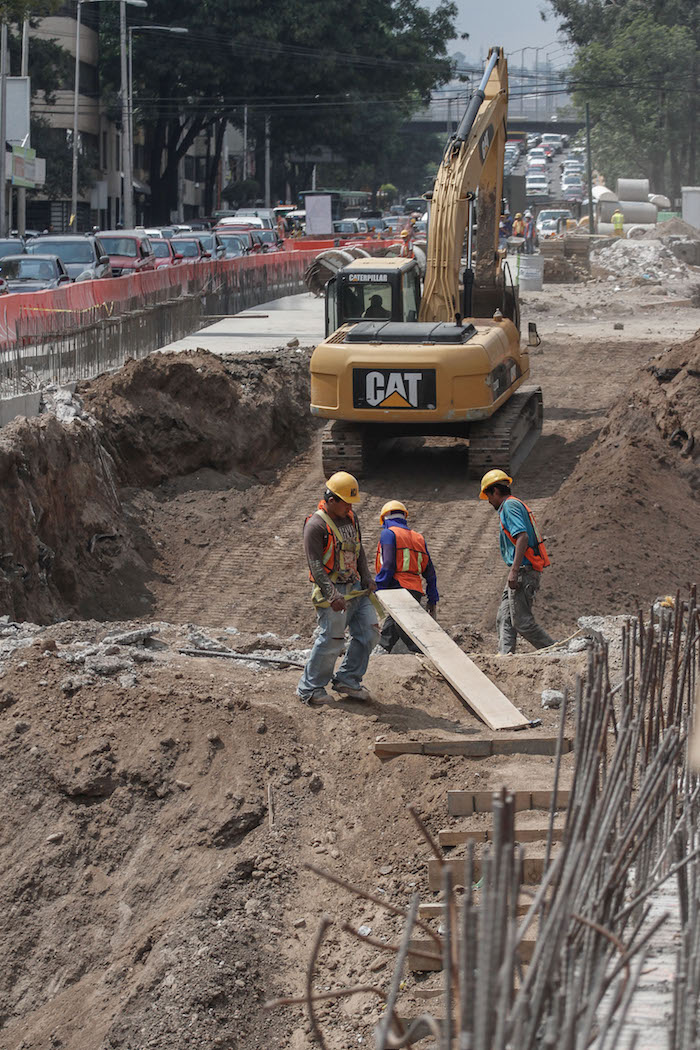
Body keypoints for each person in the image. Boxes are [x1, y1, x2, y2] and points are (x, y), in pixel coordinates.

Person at [297, 471, 379, 704]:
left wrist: (366, 576)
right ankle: (310, 688)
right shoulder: (316, 525)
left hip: (355, 588)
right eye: (346, 503)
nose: (350, 507)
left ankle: (348, 680)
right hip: (332, 590)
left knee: (370, 632)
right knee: (332, 639)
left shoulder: (352, 518)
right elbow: (314, 564)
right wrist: (332, 594)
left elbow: (359, 549)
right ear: (332, 500)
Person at [479, 469, 554, 655]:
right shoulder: (512, 505)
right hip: (522, 569)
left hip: (523, 571)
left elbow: (522, 537)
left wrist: (514, 571)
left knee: (522, 622)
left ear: (495, 491)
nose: (488, 501)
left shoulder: (509, 506)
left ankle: (557, 651)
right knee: (504, 617)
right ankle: (505, 658)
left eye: (488, 496)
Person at [375, 500, 438, 653]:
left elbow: (388, 564)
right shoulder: (418, 538)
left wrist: (379, 587)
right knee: (394, 627)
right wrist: (432, 598)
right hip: (415, 590)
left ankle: (424, 654)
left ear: (384, 519)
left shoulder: (388, 534)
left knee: (406, 632)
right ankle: (380, 652)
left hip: (397, 589)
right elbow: (430, 572)